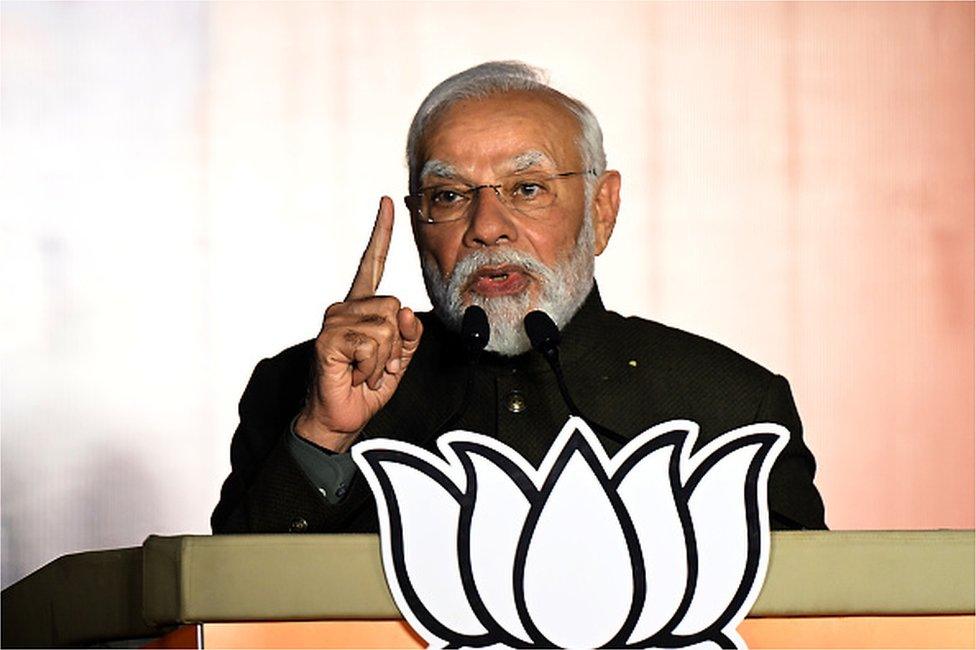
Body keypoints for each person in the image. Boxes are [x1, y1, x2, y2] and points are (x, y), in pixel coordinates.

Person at [211, 61, 826, 535]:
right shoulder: (296, 389)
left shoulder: (732, 407)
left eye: (527, 188)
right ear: (419, 222)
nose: (486, 227)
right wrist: (322, 436)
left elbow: (808, 630)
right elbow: (224, 620)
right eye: (449, 195)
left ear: (602, 209)